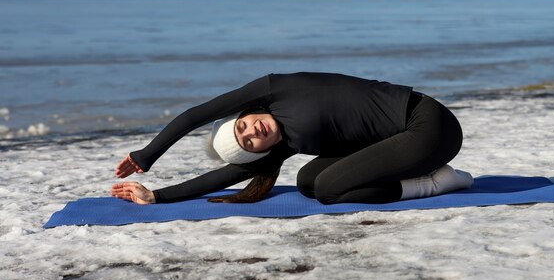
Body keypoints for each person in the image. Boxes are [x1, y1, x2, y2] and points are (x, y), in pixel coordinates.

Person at [111, 72, 472, 205]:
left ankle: (436, 182)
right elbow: (222, 177)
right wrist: (157, 196)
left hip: (429, 125)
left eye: (242, 127)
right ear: (260, 152)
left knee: (329, 190)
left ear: (243, 114)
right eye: (249, 143)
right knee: (308, 182)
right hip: (403, 138)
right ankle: (425, 175)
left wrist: (148, 153)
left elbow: (197, 114)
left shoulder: (273, 89)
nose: (253, 132)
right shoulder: (284, 143)